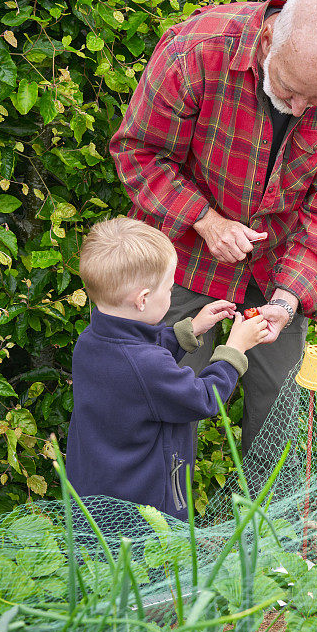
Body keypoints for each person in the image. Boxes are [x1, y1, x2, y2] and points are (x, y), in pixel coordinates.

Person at [110, 0, 317, 455]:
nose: (298, 109)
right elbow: (138, 152)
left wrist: (290, 298)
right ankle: (158, 529)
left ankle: (269, 529)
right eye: (289, 91)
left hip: (276, 274)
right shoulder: (196, 51)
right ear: (268, 39)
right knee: (157, 416)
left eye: (315, 100)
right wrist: (206, 221)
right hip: (184, 264)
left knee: (281, 430)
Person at [65, 218, 267, 520]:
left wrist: (190, 329)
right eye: (170, 289)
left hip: (97, 492)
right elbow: (203, 399)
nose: (171, 295)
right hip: (146, 506)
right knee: (150, 568)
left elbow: (138, 356)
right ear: (143, 299)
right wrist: (234, 349)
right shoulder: (146, 366)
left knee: (100, 562)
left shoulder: (91, 341)